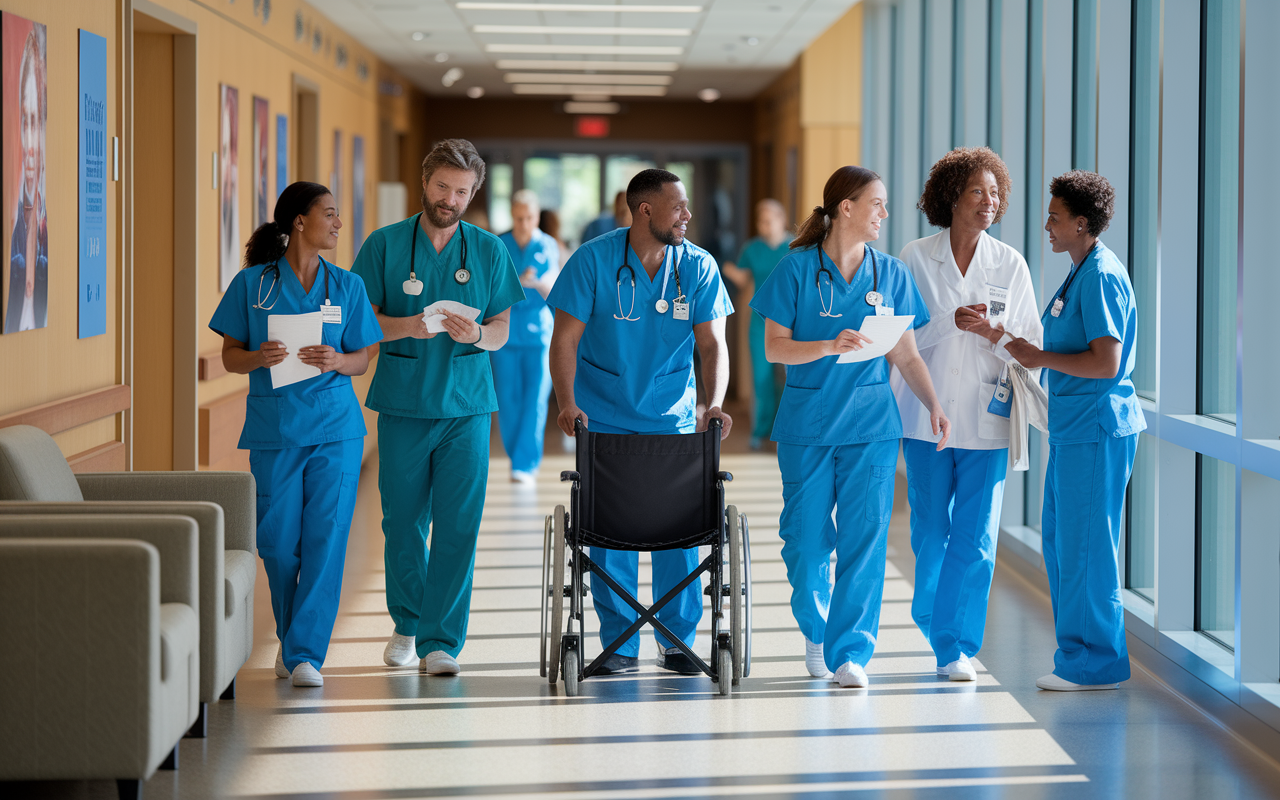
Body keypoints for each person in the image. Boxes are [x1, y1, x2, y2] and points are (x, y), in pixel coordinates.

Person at [750, 166, 950, 689]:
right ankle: (816, 631)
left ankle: (850, 653)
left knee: (866, 540)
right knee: (805, 543)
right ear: (846, 207)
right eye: (877, 203)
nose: (885, 213)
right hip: (806, 425)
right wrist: (826, 345)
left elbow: (906, 354)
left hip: (872, 428)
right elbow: (774, 347)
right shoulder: (794, 271)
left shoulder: (891, 275)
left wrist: (933, 404)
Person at [547, 168, 734, 674]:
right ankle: (620, 642)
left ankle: (676, 639)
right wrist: (567, 402)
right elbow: (563, 339)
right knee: (611, 538)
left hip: (670, 418)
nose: (688, 216)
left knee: (678, 530)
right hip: (602, 417)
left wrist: (713, 403)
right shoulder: (593, 261)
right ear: (644, 210)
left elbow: (713, 343)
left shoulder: (696, 265)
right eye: (678, 207)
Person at [353, 139, 525, 677]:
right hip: (403, 404)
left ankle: (441, 641)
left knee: (458, 526)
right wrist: (409, 326)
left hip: (467, 407)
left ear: (473, 195)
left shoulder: (490, 251)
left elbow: (501, 329)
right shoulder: (383, 245)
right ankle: (407, 621)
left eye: (462, 191)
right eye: (443, 186)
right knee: (402, 522)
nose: (450, 198)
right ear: (425, 184)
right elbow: (360, 321)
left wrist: (478, 331)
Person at [209, 181, 382, 688]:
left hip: (335, 431)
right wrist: (256, 358)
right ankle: (292, 638)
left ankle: (305, 653)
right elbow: (229, 355)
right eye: (329, 214)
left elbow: (363, 356)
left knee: (326, 540)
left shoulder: (346, 286)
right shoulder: (253, 285)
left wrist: (338, 359)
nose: (338, 223)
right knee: (279, 545)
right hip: (275, 430)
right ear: (299, 222)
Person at [890, 147, 1043, 682]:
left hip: (988, 417)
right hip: (924, 416)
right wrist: (949, 324)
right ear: (952, 197)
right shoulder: (913, 256)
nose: (989, 201)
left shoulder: (1010, 264)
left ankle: (955, 646)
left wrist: (992, 333)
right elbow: (899, 338)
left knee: (975, 538)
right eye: (978, 191)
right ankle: (934, 619)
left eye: (995, 192)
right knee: (931, 534)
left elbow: (1031, 343)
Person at [1003, 171, 1144, 691]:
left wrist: (1039, 357)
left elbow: (1106, 363)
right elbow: (1065, 342)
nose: (1047, 225)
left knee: (1087, 550)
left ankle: (1095, 664)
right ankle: (1078, 654)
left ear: (1082, 224)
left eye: (1055, 217)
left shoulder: (1102, 274)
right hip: (1072, 429)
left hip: (1096, 430)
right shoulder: (1080, 270)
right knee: (1063, 547)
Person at [494, 190, 561, 483]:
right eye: (519, 218)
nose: (524, 223)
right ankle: (515, 458)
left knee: (535, 400)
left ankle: (525, 464)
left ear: (537, 216)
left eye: (530, 218)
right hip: (504, 334)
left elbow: (558, 292)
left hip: (539, 336)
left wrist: (542, 284)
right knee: (508, 399)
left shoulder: (548, 246)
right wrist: (518, 284)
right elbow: (490, 291)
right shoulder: (499, 245)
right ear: (512, 215)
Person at [722, 199, 792, 450]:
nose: (763, 226)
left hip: (791, 321)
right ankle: (760, 429)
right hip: (760, 320)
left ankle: (785, 429)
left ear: (781, 219)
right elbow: (743, 278)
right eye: (760, 221)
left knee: (788, 377)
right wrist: (725, 268)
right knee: (761, 377)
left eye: (768, 220)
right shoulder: (752, 248)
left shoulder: (795, 246)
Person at [5, 29, 47, 333]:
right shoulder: (12, 234)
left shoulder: (47, 233)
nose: (31, 143)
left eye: (38, 121)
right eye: (25, 121)